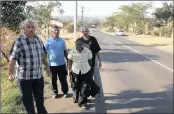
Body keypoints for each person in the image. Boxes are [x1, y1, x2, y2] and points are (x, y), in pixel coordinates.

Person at [8, 20, 50, 114]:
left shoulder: (38, 39)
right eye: (28, 27)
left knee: (40, 103)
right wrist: (10, 73)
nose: (31, 29)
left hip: (38, 77)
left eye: (32, 27)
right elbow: (13, 58)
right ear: (24, 29)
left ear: (35, 28)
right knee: (29, 105)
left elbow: (43, 55)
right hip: (24, 79)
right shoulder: (19, 41)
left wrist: (47, 67)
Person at [44, 25, 68, 98]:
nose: (56, 31)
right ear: (51, 32)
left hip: (62, 64)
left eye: (57, 30)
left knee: (63, 79)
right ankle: (55, 93)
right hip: (52, 65)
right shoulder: (48, 41)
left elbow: (65, 51)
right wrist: (45, 65)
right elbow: (44, 53)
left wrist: (68, 61)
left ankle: (65, 92)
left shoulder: (62, 40)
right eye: (55, 30)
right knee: (53, 80)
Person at [67, 39, 93, 109]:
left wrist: (88, 70)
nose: (78, 46)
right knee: (75, 86)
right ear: (75, 44)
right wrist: (69, 74)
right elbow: (69, 64)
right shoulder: (72, 52)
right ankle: (75, 98)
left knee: (84, 87)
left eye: (80, 44)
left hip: (85, 71)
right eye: (77, 44)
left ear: (83, 44)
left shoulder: (88, 51)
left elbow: (90, 62)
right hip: (75, 72)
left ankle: (83, 102)